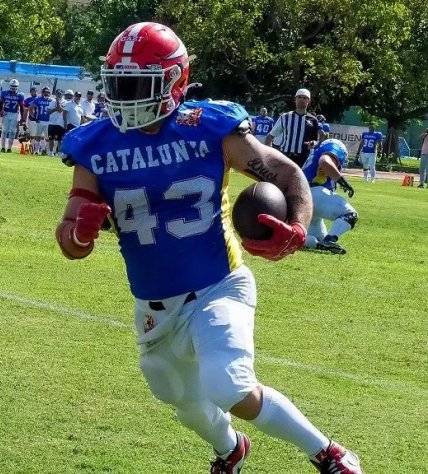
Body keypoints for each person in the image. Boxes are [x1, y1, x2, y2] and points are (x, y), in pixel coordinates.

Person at [57, 22, 362, 474]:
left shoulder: (209, 128)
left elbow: (286, 173)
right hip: (153, 305)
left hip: (218, 286)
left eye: (138, 83)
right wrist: (79, 231)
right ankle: (230, 449)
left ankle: (328, 452)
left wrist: (297, 227)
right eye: (118, 82)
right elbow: (70, 242)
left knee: (228, 384)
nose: (125, 95)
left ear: (174, 81)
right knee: (176, 394)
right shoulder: (94, 145)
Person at [301, 139, 358, 254]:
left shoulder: (317, 150)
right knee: (350, 215)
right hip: (313, 193)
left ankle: (311, 241)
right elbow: (325, 162)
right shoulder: (337, 147)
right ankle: (330, 239)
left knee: (315, 240)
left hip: (301, 197)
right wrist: (343, 182)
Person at [265, 89, 320, 167]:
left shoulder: (313, 120)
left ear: (309, 101)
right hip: (285, 156)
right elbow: (270, 136)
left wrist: (313, 143)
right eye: (299, 97)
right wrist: (269, 154)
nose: (301, 99)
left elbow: (315, 140)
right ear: (295, 99)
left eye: (305, 98)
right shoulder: (285, 117)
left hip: (303, 159)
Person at [0, 78, 24, 152]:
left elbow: (21, 107)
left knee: (12, 131)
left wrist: (22, 118)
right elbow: (1, 103)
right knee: (4, 131)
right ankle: (2, 147)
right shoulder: (4, 93)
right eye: (12, 87)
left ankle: (9, 148)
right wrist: (0, 111)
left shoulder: (20, 95)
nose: (13, 89)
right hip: (6, 113)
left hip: (15, 114)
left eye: (15, 87)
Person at [29, 86, 52, 155]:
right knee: (38, 136)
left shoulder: (52, 100)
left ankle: (45, 150)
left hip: (49, 121)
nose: (46, 93)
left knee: (47, 137)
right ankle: (36, 150)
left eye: (48, 92)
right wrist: (34, 117)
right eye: (45, 92)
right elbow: (30, 109)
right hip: (40, 120)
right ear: (42, 93)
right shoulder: (38, 99)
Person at [46, 89, 65, 156]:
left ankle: (58, 152)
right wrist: (54, 109)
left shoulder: (64, 102)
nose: (59, 95)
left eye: (60, 94)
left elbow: (60, 110)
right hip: (52, 122)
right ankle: (51, 152)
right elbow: (48, 112)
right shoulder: (52, 102)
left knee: (59, 139)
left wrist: (58, 102)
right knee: (51, 138)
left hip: (60, 123)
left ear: (62, 94)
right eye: (57, 93)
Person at [22, 86, 39, 153]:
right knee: (32, 135)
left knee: (40, 135)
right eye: (32, 91)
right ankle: (32, 149)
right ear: (30, 92)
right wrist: (24, 120)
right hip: (31, 119)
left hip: (40, 120)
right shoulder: (27, 100)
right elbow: (25, 111)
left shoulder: (40, 99)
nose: (33, 92)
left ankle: (38, 149)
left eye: (34, 91)